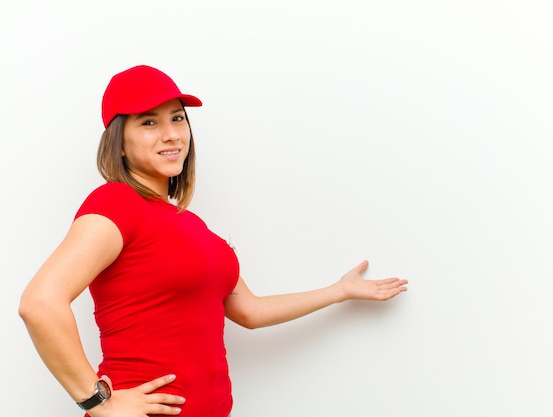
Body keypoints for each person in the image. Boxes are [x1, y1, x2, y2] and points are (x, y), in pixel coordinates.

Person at [18, 64, 408, 417]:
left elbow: (250, 311)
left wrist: (339, 291)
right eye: (149, 123)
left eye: (177, 118)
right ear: (119, 141)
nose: (171, 134)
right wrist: (98, 402)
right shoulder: (117, 203)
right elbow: (40, 303)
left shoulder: (193, 226)